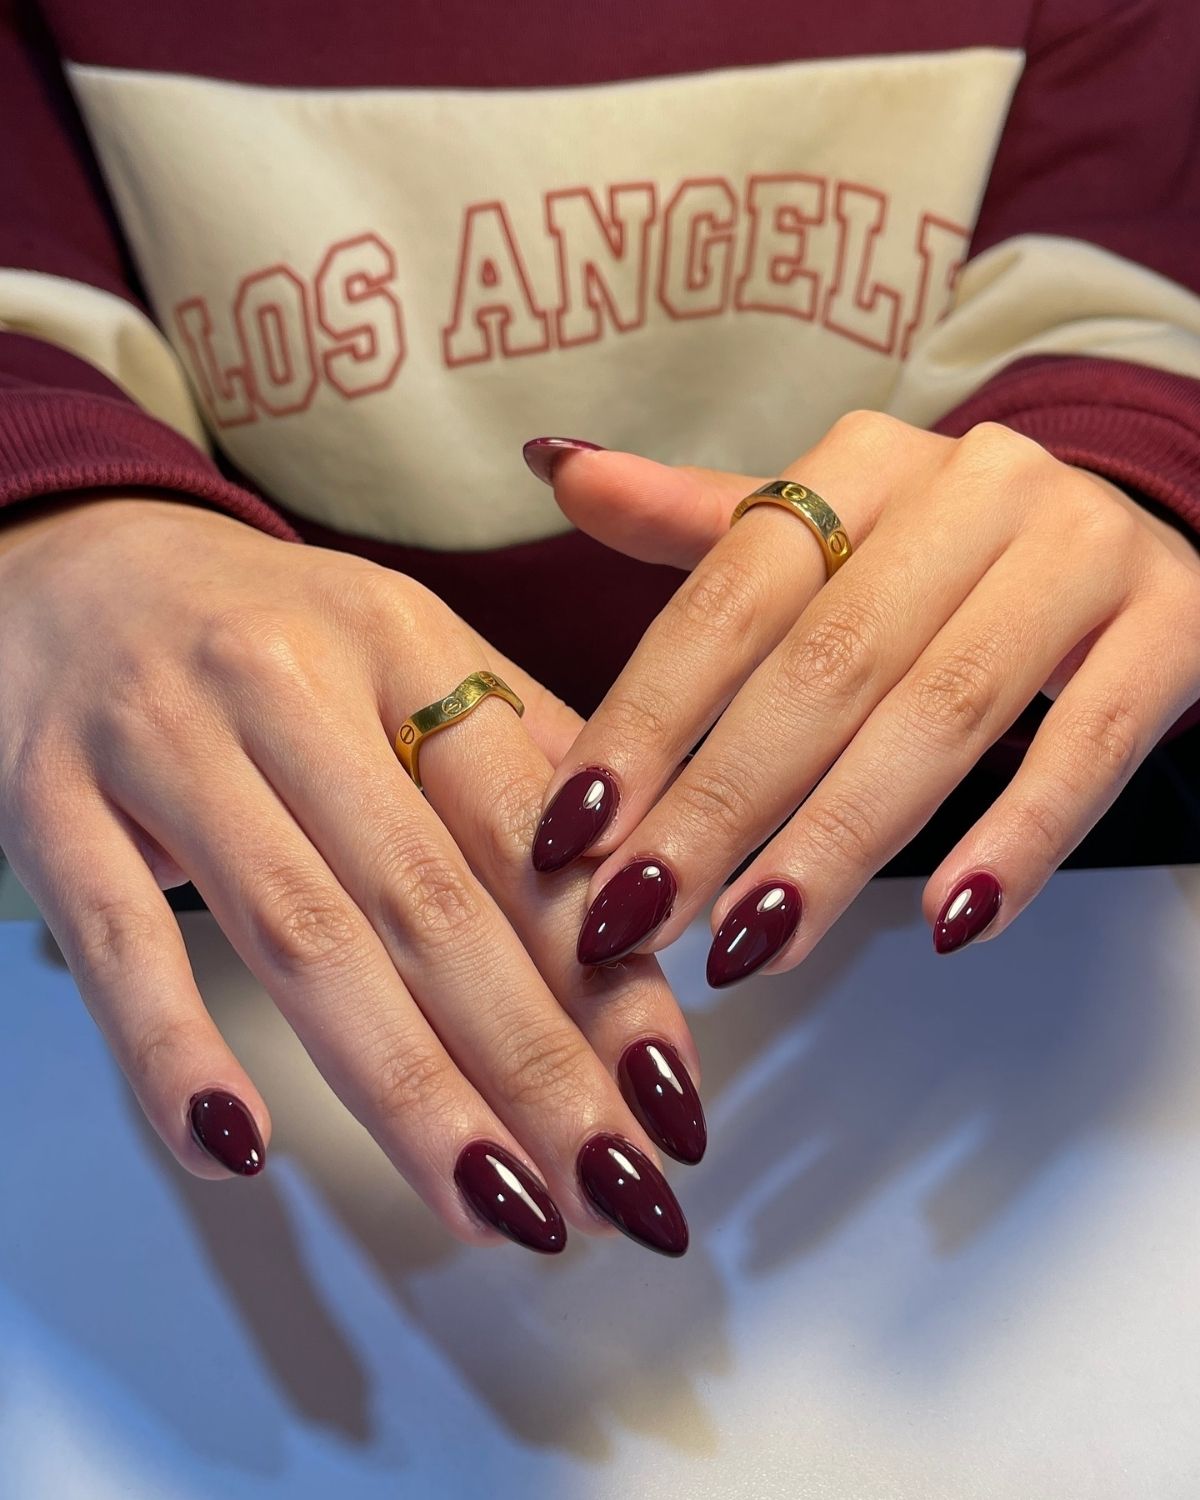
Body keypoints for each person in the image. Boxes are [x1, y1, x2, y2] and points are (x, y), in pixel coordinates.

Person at [0, 0, 1197, 1261]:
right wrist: (67, 530)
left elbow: (1131, 278)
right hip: (249, 982)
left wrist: (1115, 479)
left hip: (1003, 1035)